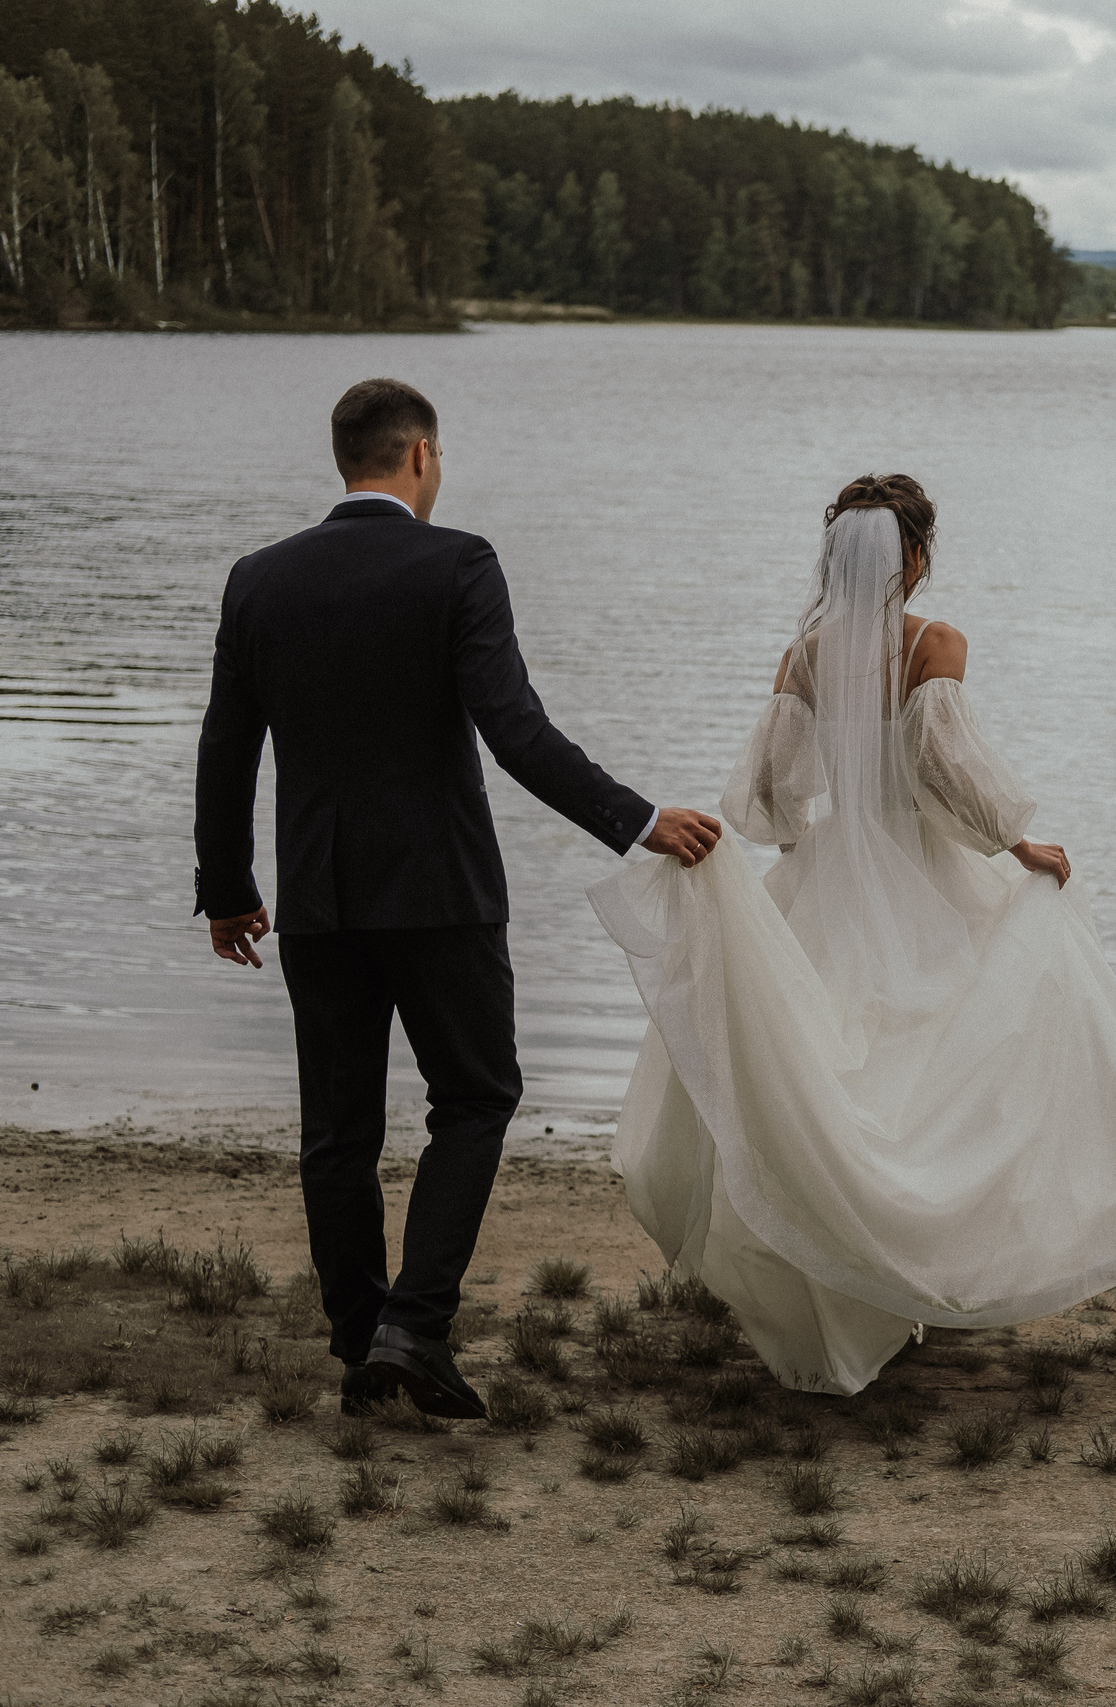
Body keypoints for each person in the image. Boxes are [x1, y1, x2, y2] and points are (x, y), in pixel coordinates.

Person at [590, 473, 1116, 1395]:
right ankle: (926, 1275)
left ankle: (846, 1289)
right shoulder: (934, 644)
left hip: (826, 877)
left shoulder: (804, 657)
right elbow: (945, 770)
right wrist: (1017, 846)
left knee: (818, 1079)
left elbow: (768, 799)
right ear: (918, 558)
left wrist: (810, 834)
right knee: (941, 1074)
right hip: (921, 875)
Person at [195, 377, 722, 1418]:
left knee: (337, 1132)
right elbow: (513, 729)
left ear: (344, 457)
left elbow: (227, 745)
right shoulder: (457, 563)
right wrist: (638, 819)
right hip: (440, 894)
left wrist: (226, 888)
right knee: (476, 1098)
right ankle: (414, 1325)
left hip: (320, 899)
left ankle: (363, 1346)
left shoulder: (259, 580)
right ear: (421, 456)